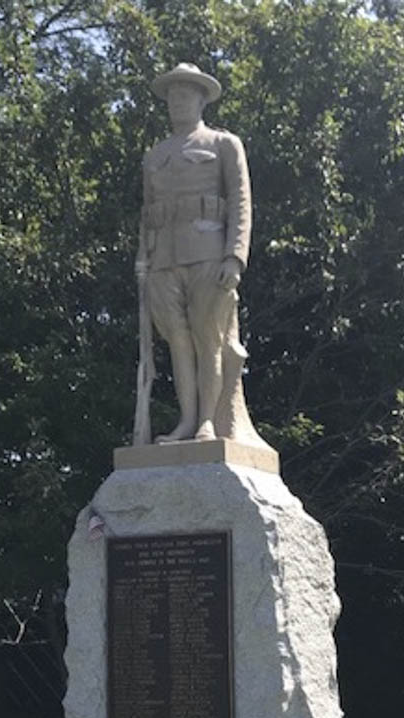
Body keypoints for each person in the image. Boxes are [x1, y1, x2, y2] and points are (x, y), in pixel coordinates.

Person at [136, 63, 266, 447]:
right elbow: (148, 212)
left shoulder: (224, 144)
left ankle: (208, 422)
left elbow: (242, 202)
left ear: (201, 100)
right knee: (178, 341)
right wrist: (142, 261)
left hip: (209, 252)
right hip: (163, 259)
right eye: (173, 96)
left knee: (209, 340)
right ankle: (187, 421)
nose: (178, 102)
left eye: (186, 95)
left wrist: (235, 257)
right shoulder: (154, 156)